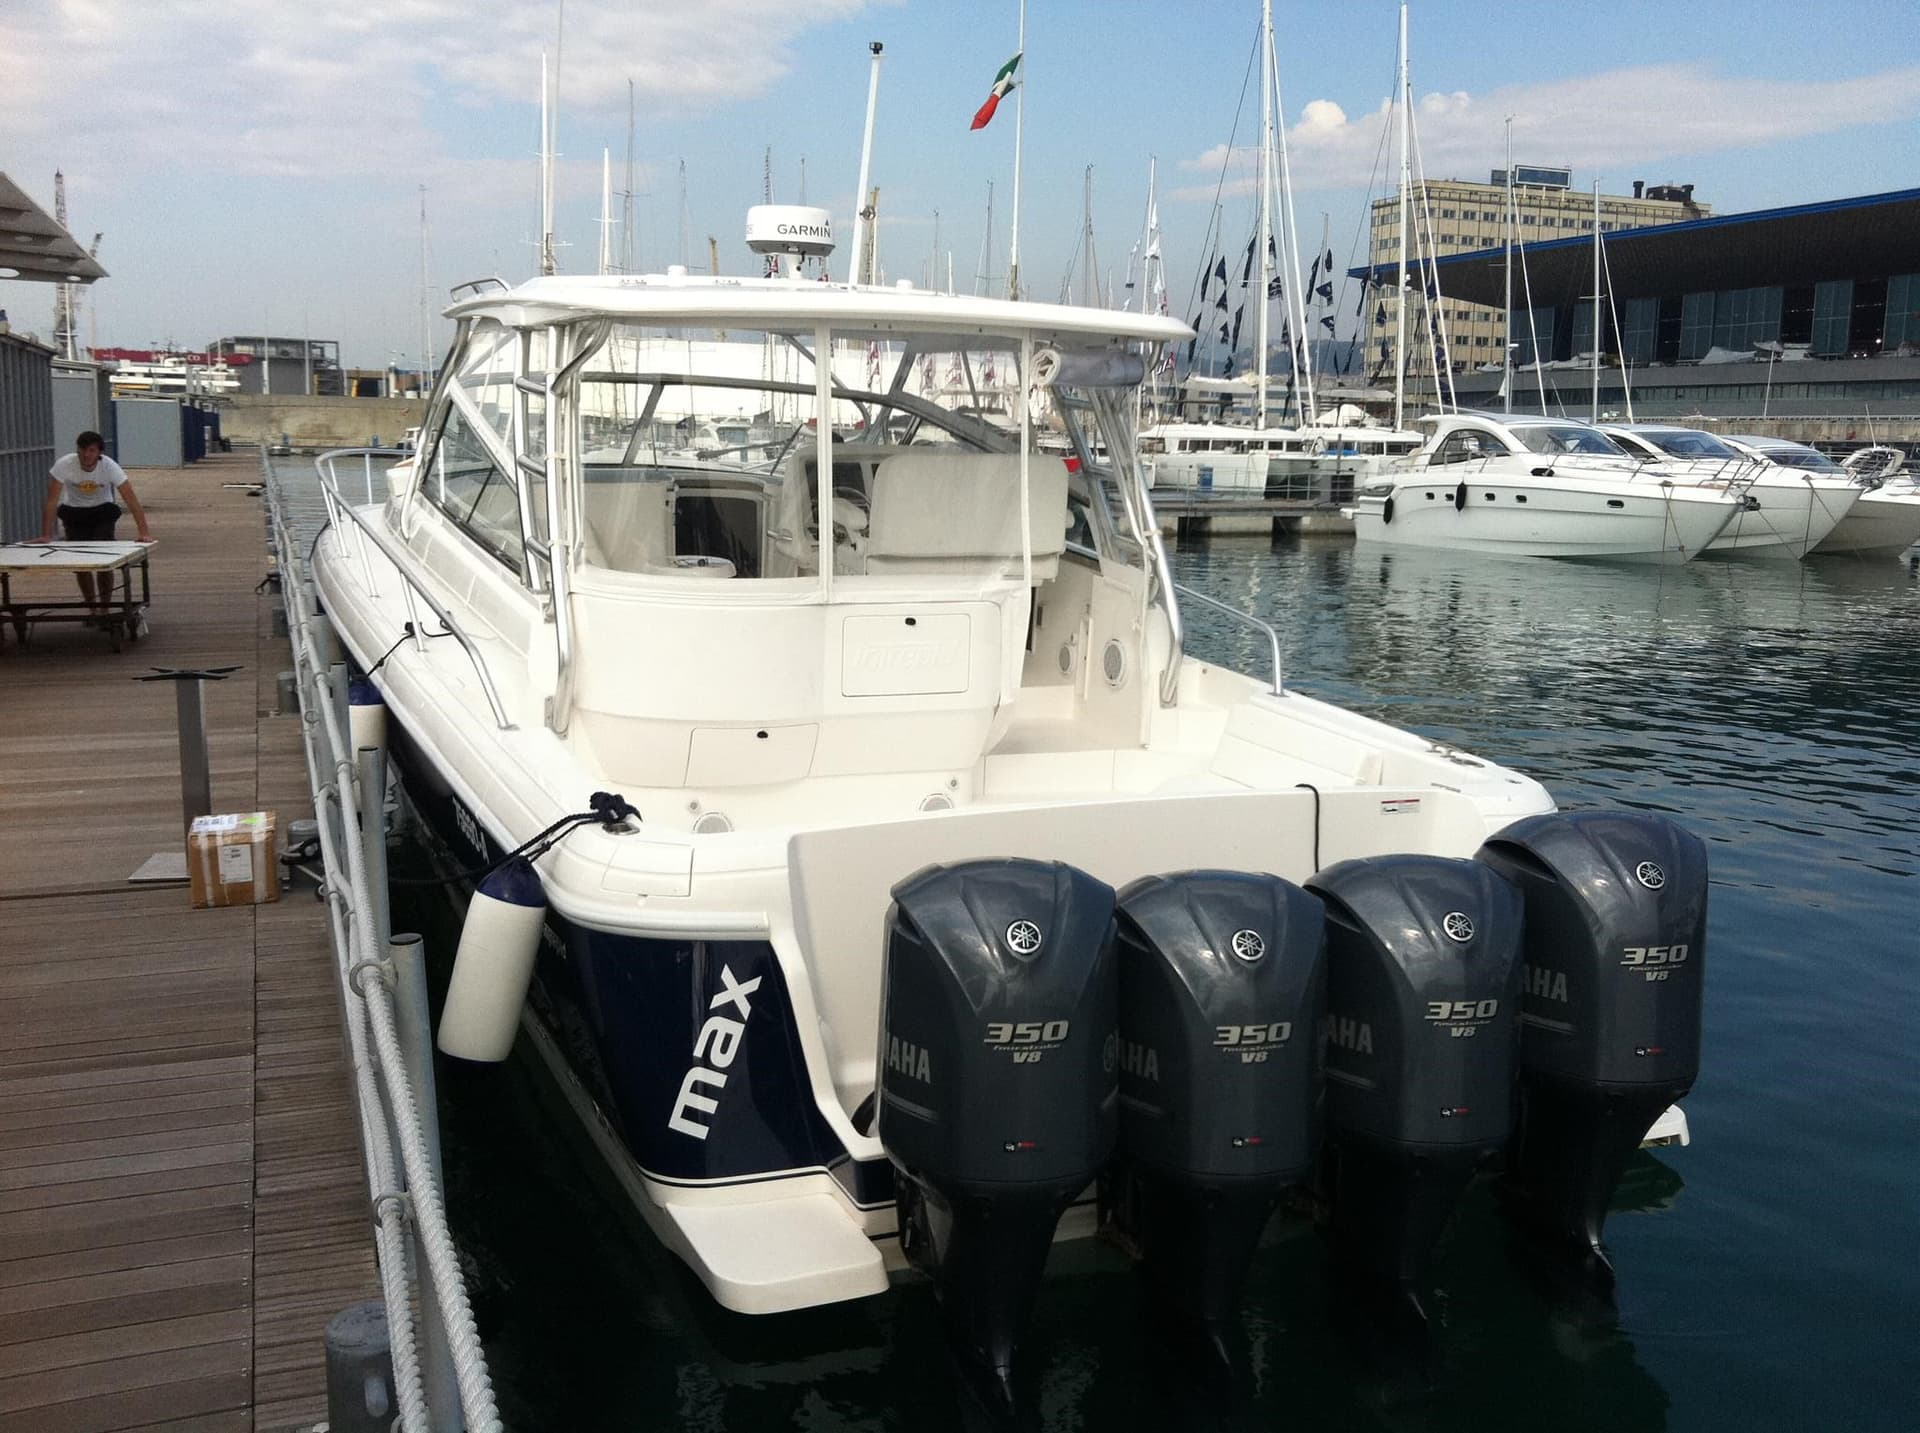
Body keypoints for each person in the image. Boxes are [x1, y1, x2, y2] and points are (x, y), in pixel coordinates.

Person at [38, 431, 153, 615]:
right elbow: (52, 501)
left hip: (102, 512)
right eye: (83, 450)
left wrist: (144, 532)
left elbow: (131, 499)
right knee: (81, 564)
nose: (86, 455)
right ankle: (91, 608)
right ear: (78, 450)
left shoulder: (109, 466)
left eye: (91, 450)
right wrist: (46, 534)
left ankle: (105, 609)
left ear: (99, 452)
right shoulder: (64, 464)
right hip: (75, 512)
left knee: (104, 561)